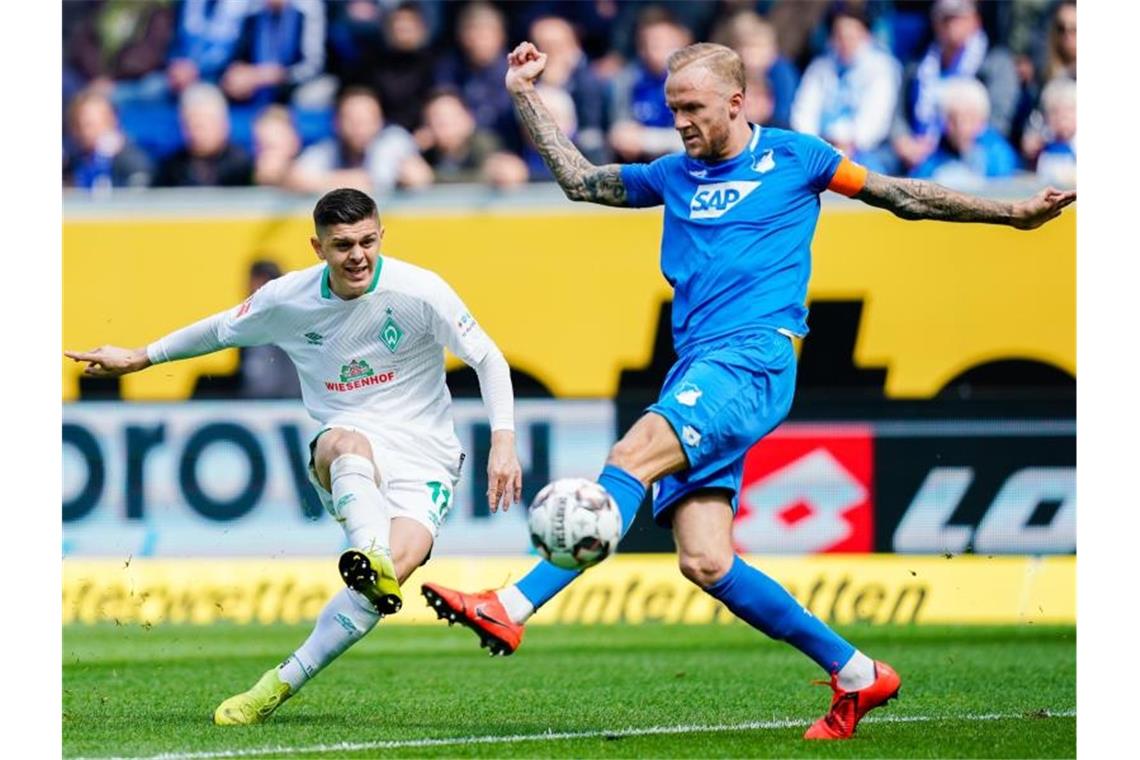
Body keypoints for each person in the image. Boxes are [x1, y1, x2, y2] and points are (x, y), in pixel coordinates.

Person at [421, 40, 1075, 741]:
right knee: (706, 560)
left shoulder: (802, 159)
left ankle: (512, 605)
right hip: (698, 364)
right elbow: (581, 182)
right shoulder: (673, 174)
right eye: (673, 108)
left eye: (693, 108)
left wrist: (1010, 216)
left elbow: (904, 196)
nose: (680, 122)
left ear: (737, 102)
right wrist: (524, 95)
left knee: (632, 454)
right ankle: (857, 673)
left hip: (754, 357)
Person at [65, 188, 523, 726]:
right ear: (317, 247)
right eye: (342, 245)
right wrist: (141, 357)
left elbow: (488, 359)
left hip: (427, 456)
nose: (358, 255)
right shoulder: (287, 298)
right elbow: (218, 330)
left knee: (385, 580)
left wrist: (504, 440)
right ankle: (369, 547)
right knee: (342, 444)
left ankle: (279, 683)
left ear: (382, 237)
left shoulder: (421, 290)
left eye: (368, 241)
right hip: (353, 437)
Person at [892, 0, 1019, 172]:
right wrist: (903, 141)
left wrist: (955, 137)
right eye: (944, 18)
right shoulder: (916, 66)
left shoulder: (996, 62)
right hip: (919, 154)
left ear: (975, 19)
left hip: (971, 150)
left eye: (958, 17)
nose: (951, 24)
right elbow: (898, 112)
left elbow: (999, 120)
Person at [790, 7, 901, 174]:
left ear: (866, 35)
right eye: (840, 35)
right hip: (820, 148)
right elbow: (803, 111)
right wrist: (815, 145)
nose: (845, 41)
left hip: (866, 150)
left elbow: (877, 119)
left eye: (852, 35)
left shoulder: (883, 67)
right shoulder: (820, 67)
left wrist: (848, 144)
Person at [285, 87, 430, 194]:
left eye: (366, 120)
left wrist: (329, 182)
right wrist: (362, 180)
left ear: (379, 121)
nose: (359, 128)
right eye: (352, 120)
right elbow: (296, 178)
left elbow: (419, 177)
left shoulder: (394, 140)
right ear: (337, 123)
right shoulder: (329, 148)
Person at [910, 77, 1019, 189]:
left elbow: (1003, 189)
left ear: (981, 119)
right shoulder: (934, 154)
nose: (960, 126)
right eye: (952, 119)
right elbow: (918, 185)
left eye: (968, 118)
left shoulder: (998, 153)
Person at [155, 83, 253, 187]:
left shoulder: (243, 167)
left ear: (224, 124)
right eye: (191, 125)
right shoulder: (172, 168)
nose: (196, 132)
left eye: (204, 124)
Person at [64, 88, 154, 191]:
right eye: (76, 126)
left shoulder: (133, 160)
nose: (83, 132)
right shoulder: (73, 160)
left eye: (89, 125)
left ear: (111, 120)